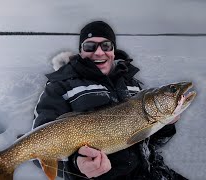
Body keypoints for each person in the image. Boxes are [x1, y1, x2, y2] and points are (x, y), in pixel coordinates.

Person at [32, 21, 187, 179]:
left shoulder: (132, 84)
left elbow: (149, 141)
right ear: (80, 51)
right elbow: (36, 147)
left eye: (106, 46)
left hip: (153, 172)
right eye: (90, 46)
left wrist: (166, 124)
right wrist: (76, 165)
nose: (99, 52)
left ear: (113, 51)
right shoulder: (60, 86)